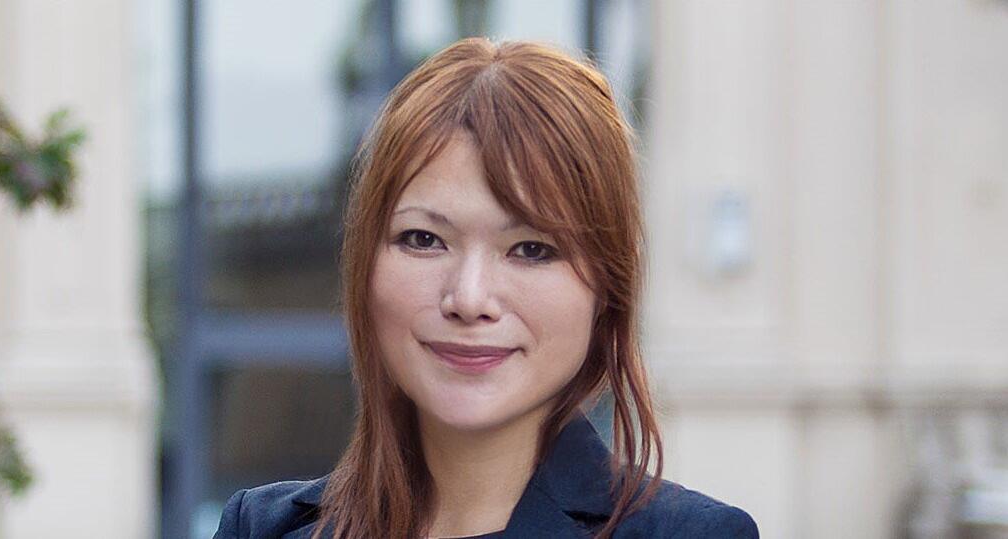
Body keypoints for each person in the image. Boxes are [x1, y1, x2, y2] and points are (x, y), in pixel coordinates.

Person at [213, 37, 758, 539]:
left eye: (532, 249)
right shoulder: (261, 529)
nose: (469, 299)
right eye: (424, 239)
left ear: (606, 287)